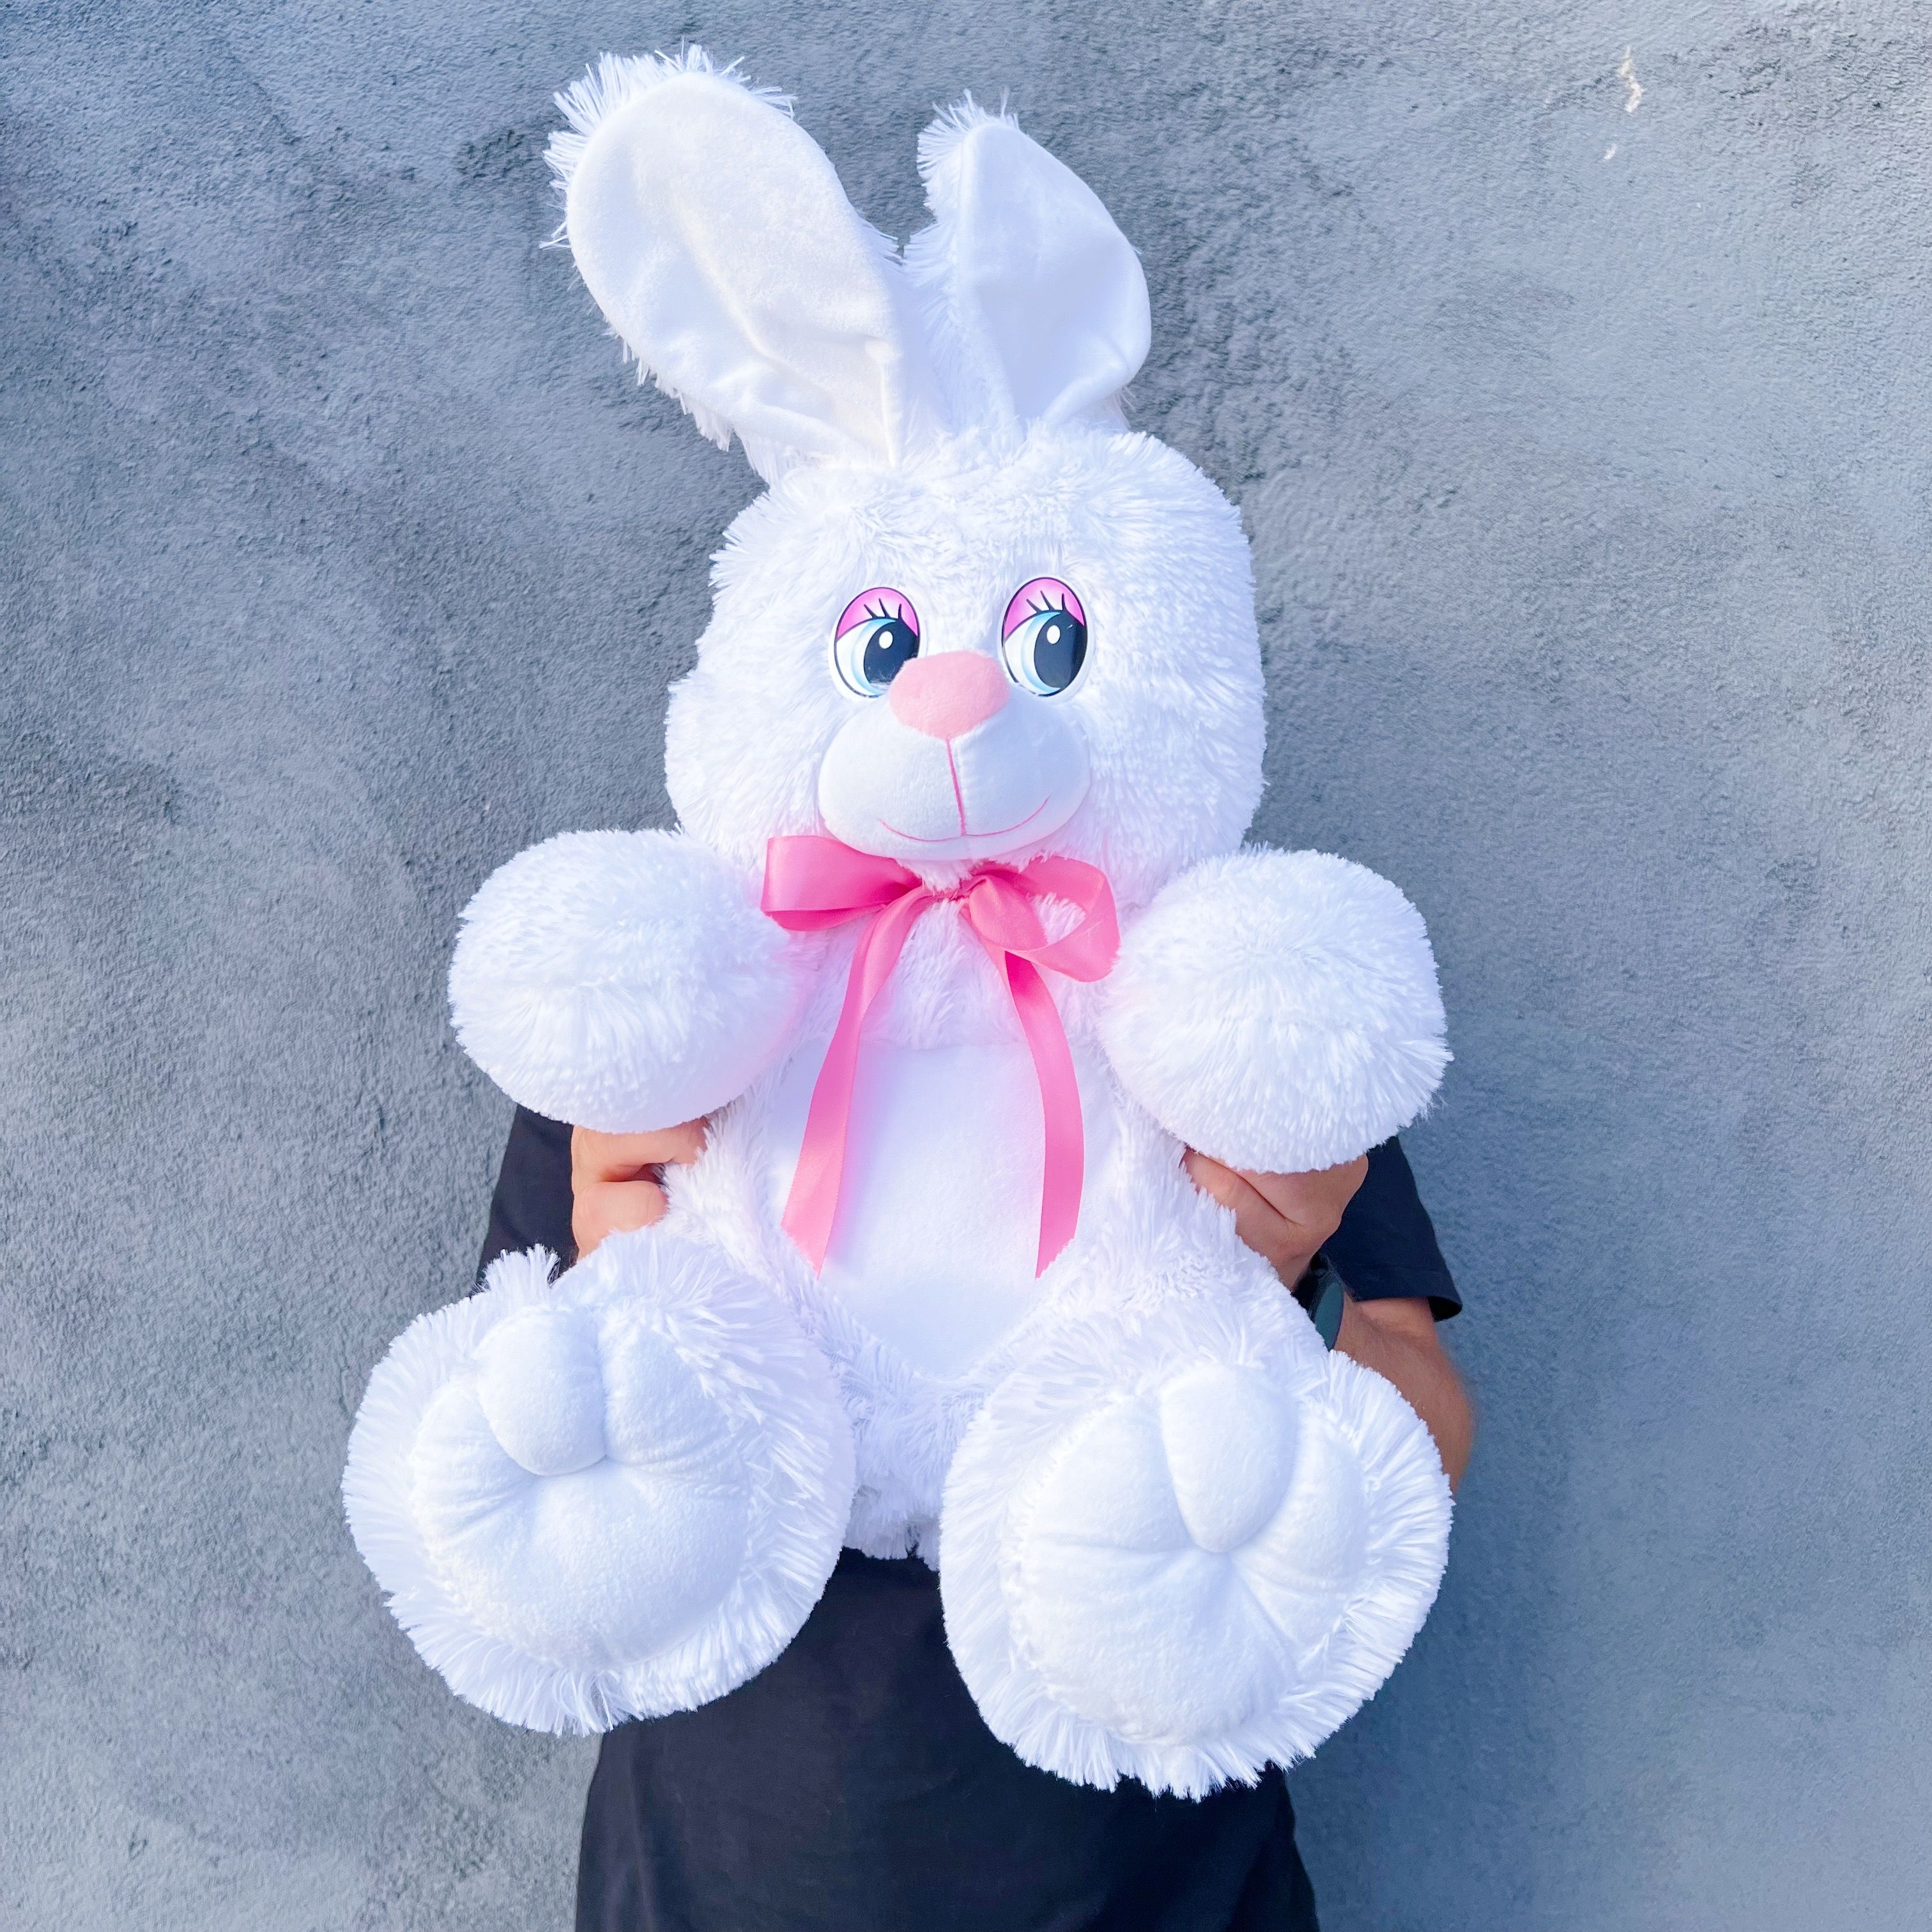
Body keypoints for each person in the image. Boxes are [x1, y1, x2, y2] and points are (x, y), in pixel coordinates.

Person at [477, 1109, 1473, 1932]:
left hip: (1165, 1885)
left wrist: (1275, 1290)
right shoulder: (649, 996)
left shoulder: (1234, 996)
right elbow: (496, 1527)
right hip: (703, 1885)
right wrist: (608, 1301)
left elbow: (1428, 1451)